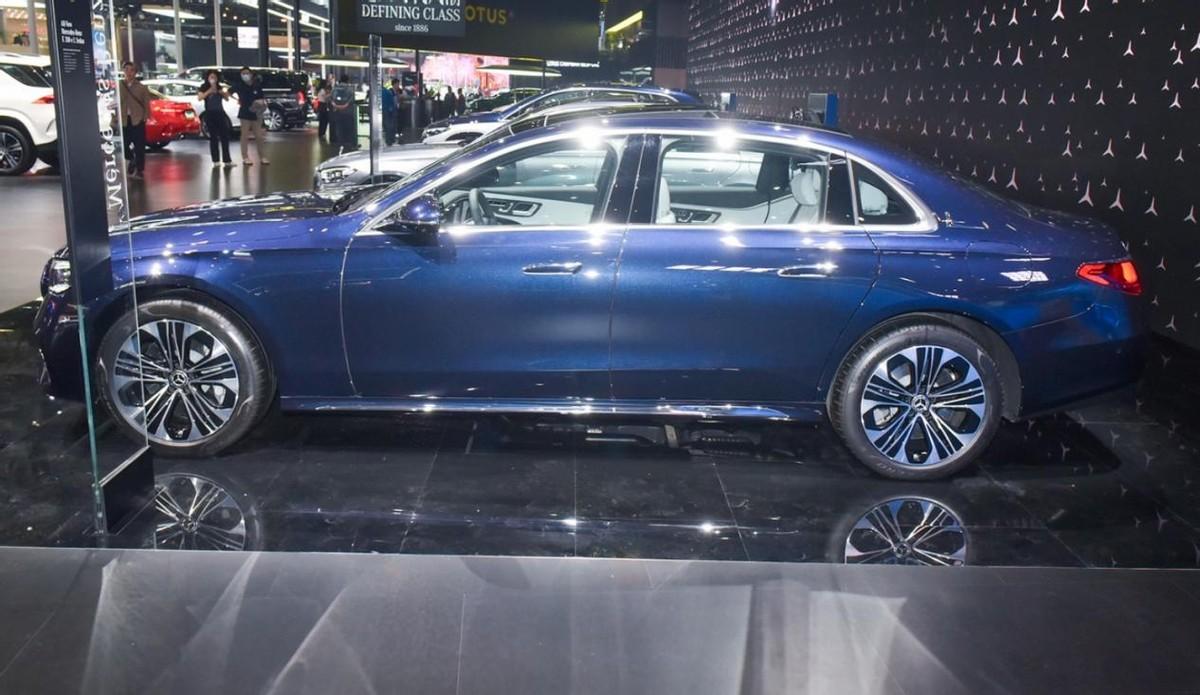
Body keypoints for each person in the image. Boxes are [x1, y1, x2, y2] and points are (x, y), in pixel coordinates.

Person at [230, 66, 269, 166]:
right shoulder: (239, 85)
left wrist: (260, 103)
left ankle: (262, 156)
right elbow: (228, 92)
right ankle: (245, 157)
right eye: (243, 74)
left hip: (256, 112)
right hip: (244, 112)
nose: (245, 75)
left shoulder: (256, 85)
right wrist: (237, 99)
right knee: (244, 135)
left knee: (259, 136)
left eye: (247, 73)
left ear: (251, 74)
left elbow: (262, 97)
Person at [119, 61, 151, 178]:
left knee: (139, 146)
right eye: (126, 69)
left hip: (137, 119)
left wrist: (145, 118)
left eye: (131, 70)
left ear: (135, 72)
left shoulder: (142, 87)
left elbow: (146, 104)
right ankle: (132, 159)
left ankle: (140, 169)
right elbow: (116, 102)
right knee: (124, 144)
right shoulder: (120, 86)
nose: (128, 72)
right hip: (124, 119)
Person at [197, 70, 233, 168]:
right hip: (210, 113)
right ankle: (216, 160)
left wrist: (222, 92)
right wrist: (209, 91)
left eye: (215, 77)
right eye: (211, 77)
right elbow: (200, 98)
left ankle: (227, 160)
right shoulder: (203, 87)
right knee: (213, 137)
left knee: (224, 137)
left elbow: (227, 98)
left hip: (220, 113)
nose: (213, 79)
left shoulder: (219, 87)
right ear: (208, 78)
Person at [330, 73, 358, 151]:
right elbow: (351, 100)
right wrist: (344, 106)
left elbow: (331, 99)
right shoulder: (350, 89)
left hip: (337, 112)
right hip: (348, 112)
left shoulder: (335, 89)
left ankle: (340, 144)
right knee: (350, 129)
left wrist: (336, 106)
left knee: (339, 128)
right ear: (347, 80)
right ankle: (351, 144)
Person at [381, 77, 398, 146]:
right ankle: (390, 140)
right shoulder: (387, 92)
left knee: (386, 126)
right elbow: (392, 103)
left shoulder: (376, 92)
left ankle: (388, 140)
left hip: (382, 111)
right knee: (388, 126)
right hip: (387, 111)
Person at [316, 77, 332, 141]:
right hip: (323, 105)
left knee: (322, 120)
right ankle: (322, 133)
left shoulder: (320, 90)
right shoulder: (322, 90)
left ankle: (321, 133)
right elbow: (325, 98)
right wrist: (330, 94)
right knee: (324, 120)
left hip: (321, 105)